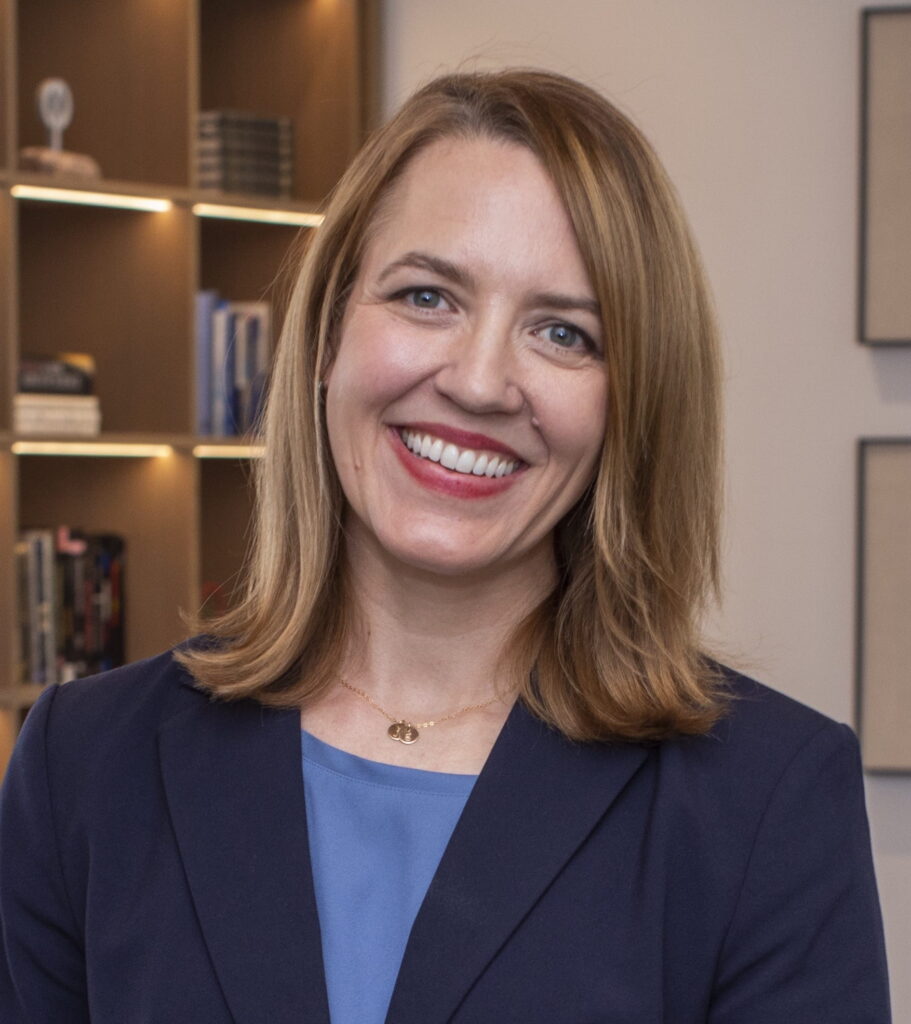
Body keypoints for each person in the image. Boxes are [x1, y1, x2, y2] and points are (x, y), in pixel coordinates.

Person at [0, 69, 890, 1023]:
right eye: (427, 296)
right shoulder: (85, 764)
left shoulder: (767, 800)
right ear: (330, 334)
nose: (477, 381)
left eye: (562, 332)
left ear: (630, 405)